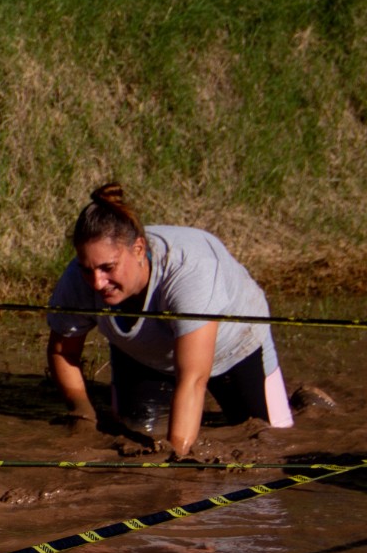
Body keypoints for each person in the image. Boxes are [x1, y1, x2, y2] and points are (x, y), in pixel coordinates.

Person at [46, 184, 293, 458]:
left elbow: (193, 378)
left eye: (108, 268)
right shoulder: (77, 280)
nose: (97, 282)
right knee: (136, 431)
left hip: (234, 346)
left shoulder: (190, 269)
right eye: (87, 270)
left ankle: (305, 403)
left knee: (266, 440)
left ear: (139, 249)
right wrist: (82, 414)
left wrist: (176, 461)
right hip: (144, 354)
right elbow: (62, 351)